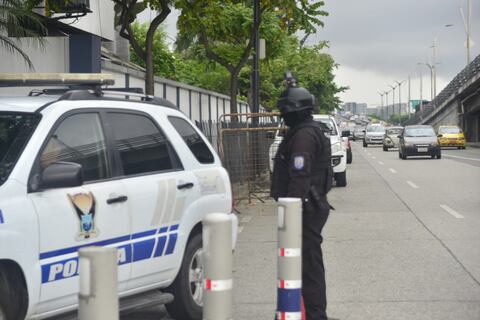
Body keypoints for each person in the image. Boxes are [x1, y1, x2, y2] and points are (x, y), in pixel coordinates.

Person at [271, 73, 333, 320]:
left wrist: (290, 214)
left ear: (296, 111)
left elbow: (300, 176)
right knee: (305, 264)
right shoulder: (304, 130)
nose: (283, 116)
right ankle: (303, 312)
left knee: (308, 266)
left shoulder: (304, 136)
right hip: (308, 207)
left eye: (285, 111)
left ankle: (315, 315)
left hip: (305, 209)